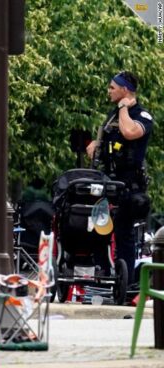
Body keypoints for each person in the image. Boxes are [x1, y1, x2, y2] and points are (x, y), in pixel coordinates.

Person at [86, 71, 154, 283]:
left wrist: (124, 107)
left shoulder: (142, 115)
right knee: (97, 226)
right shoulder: (112, 115)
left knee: (124, 232)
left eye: (112, 88)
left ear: (125, 90)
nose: (109, 91)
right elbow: (107, 139)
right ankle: (103, 272)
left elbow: (129, 132)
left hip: (129, 184)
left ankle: (126, 281)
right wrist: (95, 145)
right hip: (108, 181)